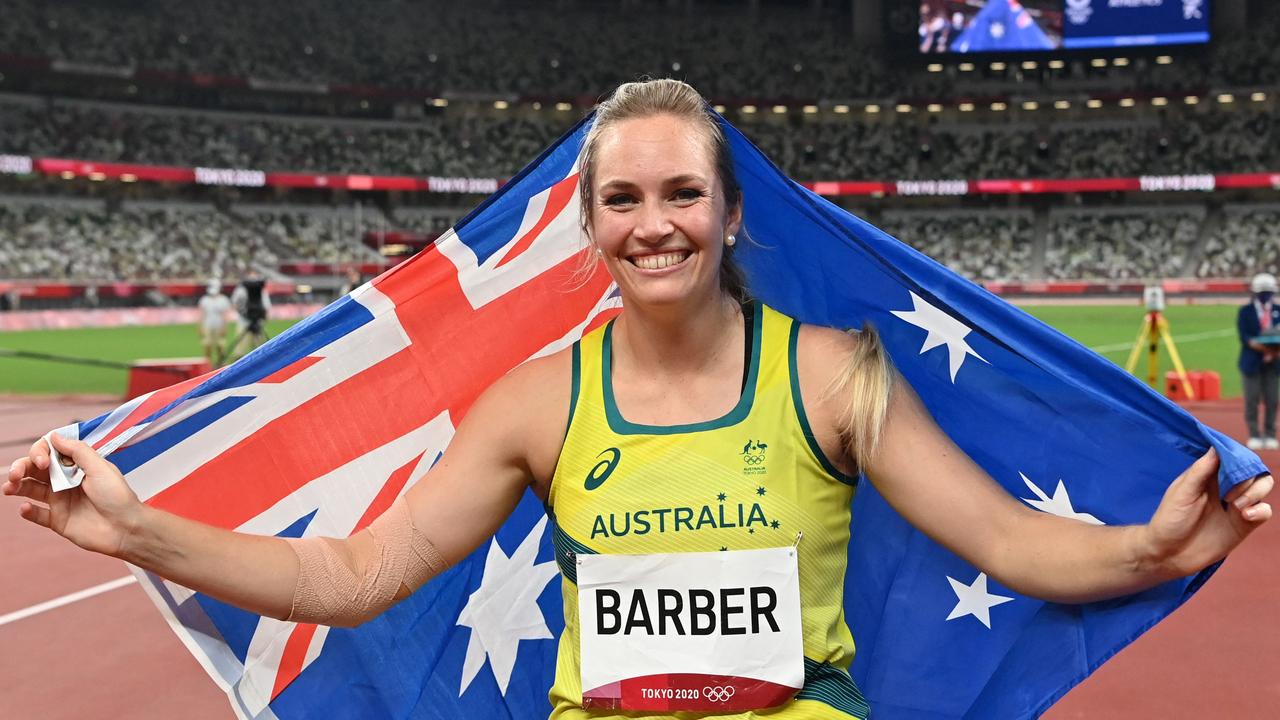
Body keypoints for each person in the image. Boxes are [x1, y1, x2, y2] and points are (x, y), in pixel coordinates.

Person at [4, 80, 1274, 719]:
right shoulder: (536, 402)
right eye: (623, 198)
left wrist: (1146, 547)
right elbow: (351, 578)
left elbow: (1005, 540)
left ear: (730, 212)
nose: (654, 224)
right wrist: (135, 531)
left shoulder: (831, 371)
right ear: (589, 223)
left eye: (681, 195)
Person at [1239, 272, 1280, 450]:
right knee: (1252, 399)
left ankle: (1270, 434)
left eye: (1268, 292)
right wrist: (1265, 349)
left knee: (1272, 400)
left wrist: (1275, 352)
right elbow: (1245, 337)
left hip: (1274, 363)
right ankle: (1254, 434)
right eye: (1262, 292)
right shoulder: (1245, 312)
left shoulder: (1279, 311)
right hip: (1252, 363)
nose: (1265, 295)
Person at [229, 268, 272, 358]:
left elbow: (266, 305)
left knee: (260, 346)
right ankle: (238, 361)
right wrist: (243, 313)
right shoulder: (240, 289)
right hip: (243, 321)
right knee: (241, 346)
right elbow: (235, 303)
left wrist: (263, 317)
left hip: (258, 321)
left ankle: (262, 359)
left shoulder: (262, 291)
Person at [197, 279, 233, 367]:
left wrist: (225, 327)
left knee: (220, 346)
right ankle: (207, 364)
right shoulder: (204, 300)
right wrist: (200, 327)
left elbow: (225, 315)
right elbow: (202, 314)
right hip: (207, 326)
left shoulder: (224, 300)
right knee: (207, 345)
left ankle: (221, 364)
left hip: (219, 325)